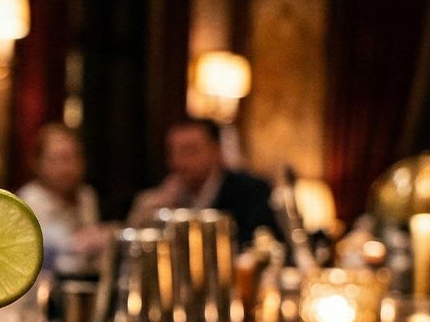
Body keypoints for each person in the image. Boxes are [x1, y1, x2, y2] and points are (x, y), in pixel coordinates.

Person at [127, 118, 278, 246]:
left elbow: (260, 245)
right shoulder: (161, 195)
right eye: (173, 152)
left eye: (189, 151)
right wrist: (157, 214)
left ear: (216, 152)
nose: (178, 162)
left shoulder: (251, 191)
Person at [17, 123, 107, 275]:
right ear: (37, 163)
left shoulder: (86, 196)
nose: (64, 168)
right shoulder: (29, 199)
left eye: (69, 158)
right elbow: (37, 253)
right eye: (55, 160)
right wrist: (79, 243)